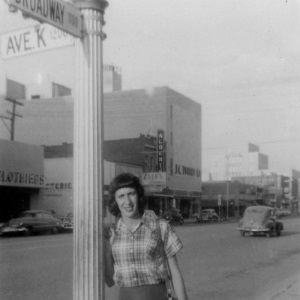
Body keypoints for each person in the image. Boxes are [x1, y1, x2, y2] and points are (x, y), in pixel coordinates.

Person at [104, 172, 188, 300]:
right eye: (121, 196)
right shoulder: (111, 233)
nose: (127, 201)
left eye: (131, 194)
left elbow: (175, 272)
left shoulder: (160, 227)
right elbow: (109, 281)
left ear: (138, 196)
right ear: (115, 201)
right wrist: (107, 248)